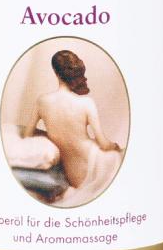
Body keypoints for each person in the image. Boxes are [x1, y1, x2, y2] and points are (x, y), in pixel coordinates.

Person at [24, 50, 122, 206]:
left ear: (56, 72)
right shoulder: (86, 103)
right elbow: (104, 144)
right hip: (95, 166)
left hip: (72, 175)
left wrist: (50, 137)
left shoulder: (42, 101)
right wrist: (115, 147)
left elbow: (27, 136)